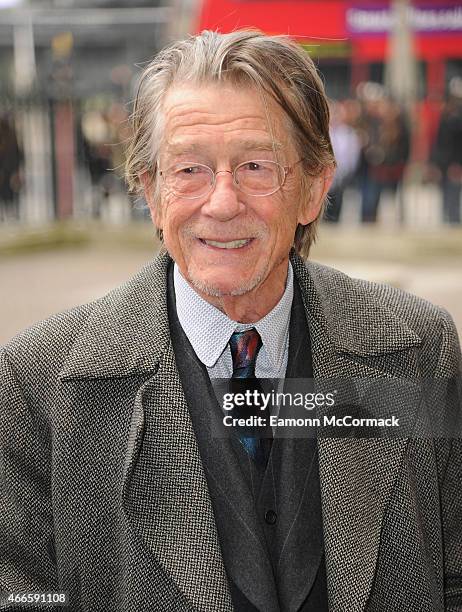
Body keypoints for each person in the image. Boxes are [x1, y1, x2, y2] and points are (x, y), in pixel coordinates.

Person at [1, 30, 461, 612]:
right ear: (150, 189)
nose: (222, 203)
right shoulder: (40, 383)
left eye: (254, 165)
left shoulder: (415, 350)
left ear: (315, 187)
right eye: (189, 169)